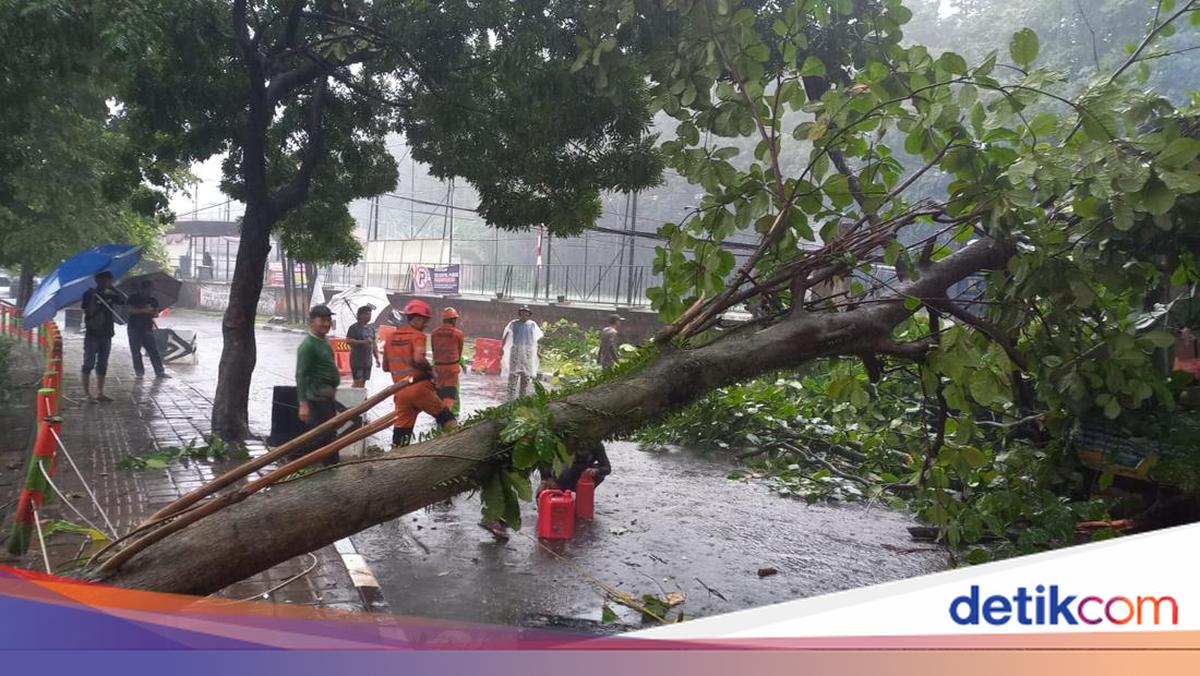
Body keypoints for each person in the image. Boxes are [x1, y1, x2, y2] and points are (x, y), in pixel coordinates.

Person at [382, 299, 457, 447]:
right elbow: (418, 359)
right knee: (448, 419)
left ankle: (396, 461)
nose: (426, 324)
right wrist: (430, 371)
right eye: (424, 320)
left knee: (401, 433)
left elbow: (385, 367)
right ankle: (455, 451)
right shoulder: (417, 335)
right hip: (419, 389)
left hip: (400, 392)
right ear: (416, 318)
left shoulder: (390, 338)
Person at [294, 304, 342, 466]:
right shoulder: (307, 346)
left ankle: (332, 469)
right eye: (322, 320)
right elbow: (301, 375)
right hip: (315, 400)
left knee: (328, 436)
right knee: (322, 438)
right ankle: (292, 460)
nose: (326, 324)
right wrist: (303, 404)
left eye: (329, 320)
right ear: (311, 322)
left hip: (327, 400)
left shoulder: (324, 342)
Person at [81, 271, 125, 403]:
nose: (107, 283)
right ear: (98, 281)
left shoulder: (110, 294)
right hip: (92, 334)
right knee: (89, 363)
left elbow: (124, 300)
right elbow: (87, 310)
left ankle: (100, 392)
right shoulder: (89, 294)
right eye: (104, 280)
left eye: (109, 281)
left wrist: (114, 289)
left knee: (103, 363)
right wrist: (95, 299)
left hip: (107, 333)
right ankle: (87, 394)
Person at [126, 279, 169, 379]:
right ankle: (139, 371)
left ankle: (160, 372)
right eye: (148, 289)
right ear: (142, 289)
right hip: (134, 328)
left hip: (147, 328)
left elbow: (156, 314)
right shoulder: (133, 298)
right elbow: (130, 310)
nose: (150, 291)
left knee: (153, 351)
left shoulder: (152, 300)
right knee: (136, 351)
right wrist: (144, 310)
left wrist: (153, 312)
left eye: (151, 289)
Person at [500, 305, 542, 400]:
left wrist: (538, 351)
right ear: (520, 314)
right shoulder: (514, 323)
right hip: (516, 350)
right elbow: (506, 335)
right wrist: (502, 347)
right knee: (513, 373)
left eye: (526, 314)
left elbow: (535, 340)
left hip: (528, 351)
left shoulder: (532, 325)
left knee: (526, 374)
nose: (524, 315)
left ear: (529, 315)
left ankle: (522, 396)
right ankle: (510, 397)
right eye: (522, 313)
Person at [431, 307, 466, 416]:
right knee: (452, 393)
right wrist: (459, 363)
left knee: (440, 392)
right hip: (452, 368)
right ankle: (451, 415)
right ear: (453, 320)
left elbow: (434, 350)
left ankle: (440, 413)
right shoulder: (458, 334)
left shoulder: (434, 333)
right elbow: (459, 353)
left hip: (438, 368)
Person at [345, 305, 379, 388]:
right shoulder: (354, 328)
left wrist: (377, 358)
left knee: (364, 380)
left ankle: (363, 399)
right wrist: (363, 342)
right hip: (357, 361)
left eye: (370, 314)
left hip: (367, 361)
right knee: (357, 381)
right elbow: (348, 341)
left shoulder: (371, 329)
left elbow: (374, 344)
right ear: (360, 315)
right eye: (367, 314)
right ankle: (354, 398)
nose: (369, 316)